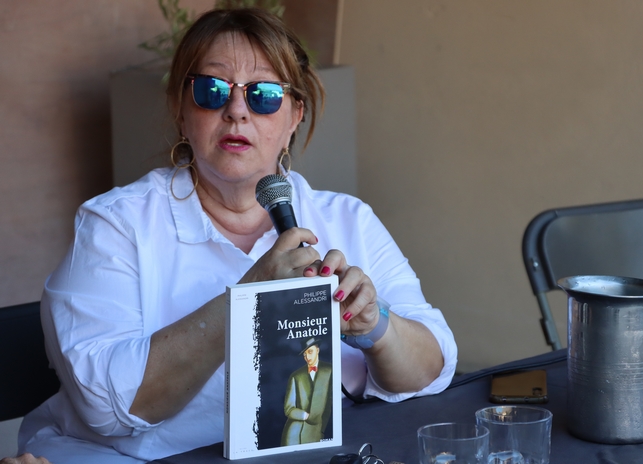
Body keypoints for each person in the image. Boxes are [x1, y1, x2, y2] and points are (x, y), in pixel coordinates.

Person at [12, 7, 457, 464]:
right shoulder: (115, 225)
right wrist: (247, 300)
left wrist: (376, 327)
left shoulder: (347, 218)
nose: (237, 111)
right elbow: (106, 408)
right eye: (212, 90)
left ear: (294, 116)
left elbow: (435, 367)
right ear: (181, 110)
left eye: (264, 95)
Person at [281, 337, 332, 446]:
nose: (307, 357)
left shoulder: (330, 370)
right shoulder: (296, 376)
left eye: (310, 352)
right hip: (296, 435)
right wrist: (307, 416)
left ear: (317, 350)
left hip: (319, 433)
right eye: (304, 354)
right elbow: (289, 409)